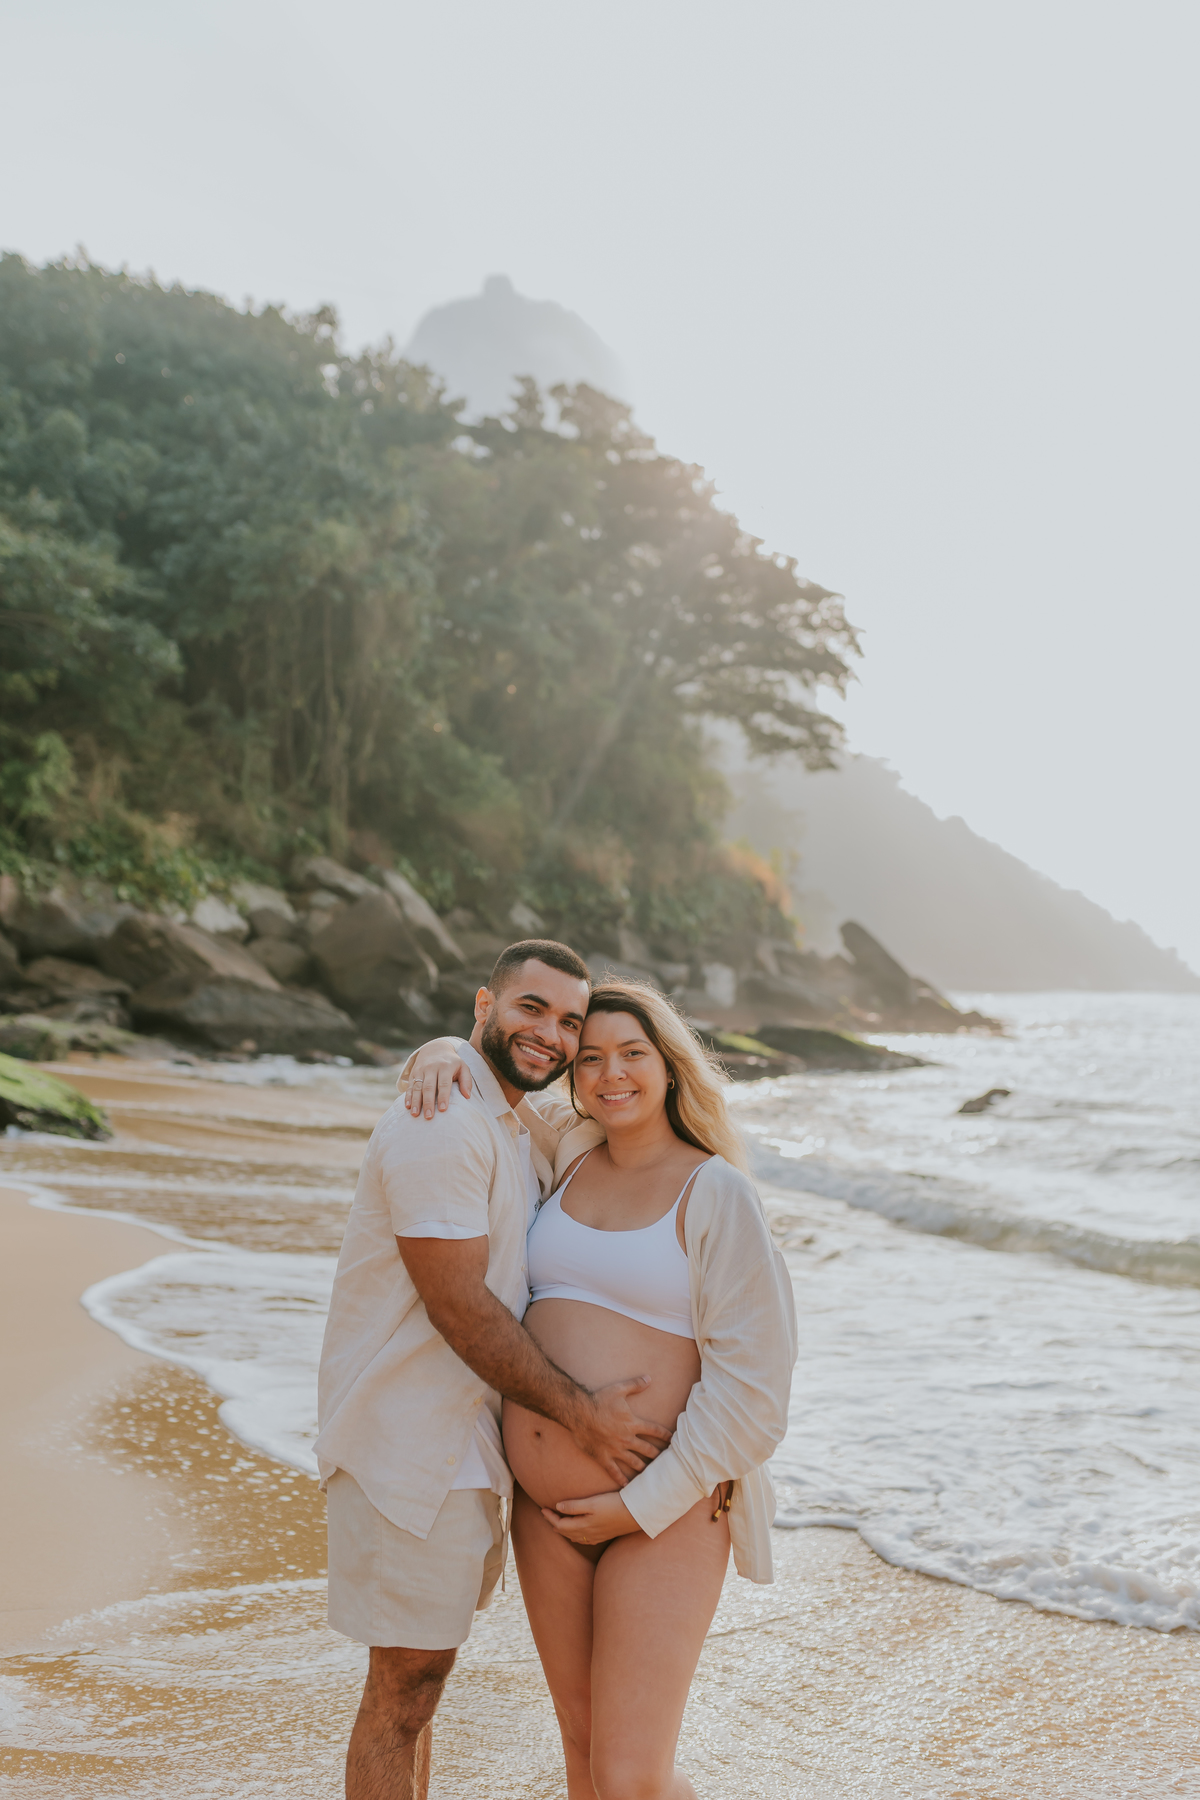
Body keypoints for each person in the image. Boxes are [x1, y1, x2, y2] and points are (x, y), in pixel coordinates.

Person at [404, 979, 797, 1800]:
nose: (610, 1075)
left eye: (632, 1055)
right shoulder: (569, 1153)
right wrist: (442, 1048)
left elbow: (755, 1393)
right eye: (591, 1060)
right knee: (584, 1759)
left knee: (628, 1776)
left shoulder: (716, 1192)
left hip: (666, 1513)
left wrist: (639, 1503)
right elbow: (492, 1092)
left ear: (670, 1067)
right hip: (548, 1517)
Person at [314, 940, 676, 1800]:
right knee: (404, 1692)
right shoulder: (442, 1124)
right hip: (410, 1450)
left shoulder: (515, 1126)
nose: (549, 1034)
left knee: (421, 1688)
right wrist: (585, 1414)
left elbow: (617, 1126)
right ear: (485, 1005)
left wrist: (438, 1049)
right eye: (529, 1009)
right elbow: (459, 1307)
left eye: (569, 1023)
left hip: (465, 1457)